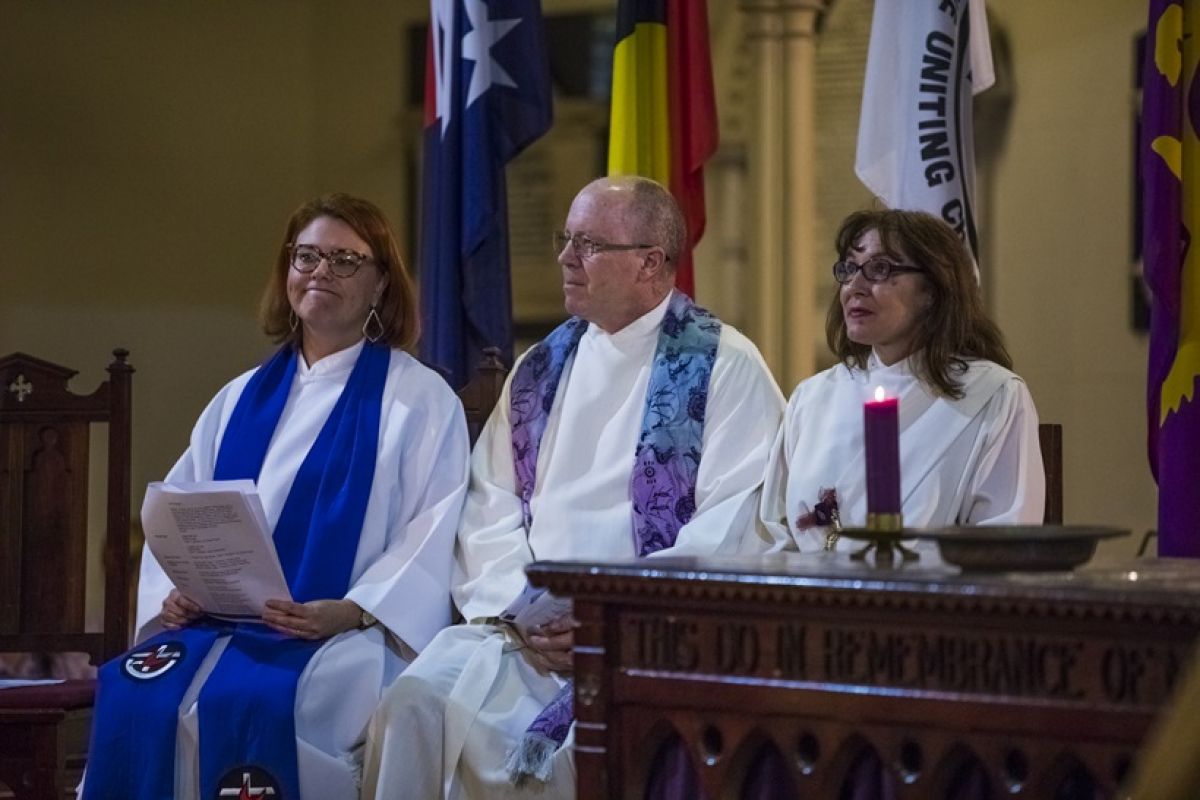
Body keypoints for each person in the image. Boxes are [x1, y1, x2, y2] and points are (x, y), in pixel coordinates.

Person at [360, 176, 784, 799]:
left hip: (646, 638)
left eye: (587, 244)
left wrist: (604, 618)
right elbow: (489, 506)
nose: (564, 258)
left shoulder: (725, 366)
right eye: (567, 239)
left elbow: (734, 523)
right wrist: (524, 608)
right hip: (525, 633)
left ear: (650, 263)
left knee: (572, 760)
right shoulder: (540, 368)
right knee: (413, 707)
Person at [82, 194, 470, 800]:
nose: (320, 272)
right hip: (215, 624)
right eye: (307, 256)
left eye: (344, 260)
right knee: (136, 690)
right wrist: (177, 591)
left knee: (259, 698)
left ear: (380, 285)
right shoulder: (237, 399)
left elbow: (433, 527)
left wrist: (353, 609)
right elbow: (178, 512)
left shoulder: (418, 400)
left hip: (342, 633)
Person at [757, 207, 1045, 557]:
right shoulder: (812, 397)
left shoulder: (992, 397)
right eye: (849, 269)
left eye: (880, 269)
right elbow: (774, 535)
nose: (855, 287)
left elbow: (1003, 543)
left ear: (933, 291)